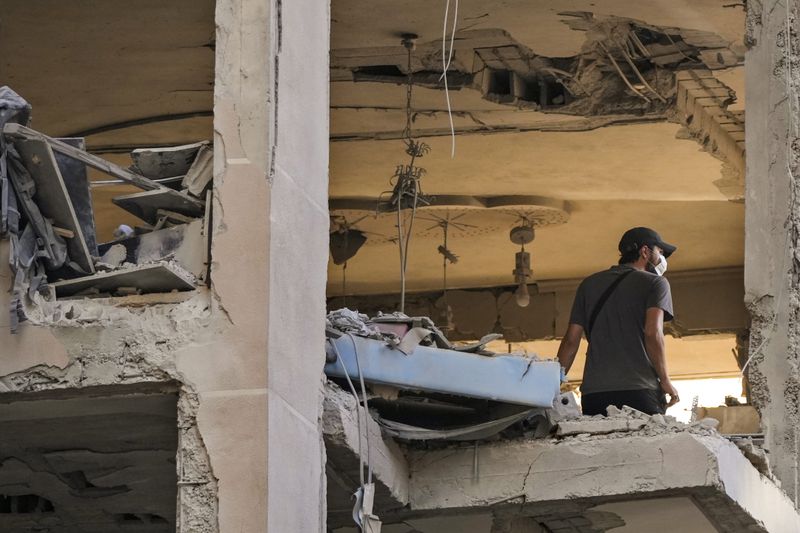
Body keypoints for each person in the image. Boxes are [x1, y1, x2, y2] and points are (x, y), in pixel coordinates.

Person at [556, 227, 680, 416]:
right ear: (645, 251)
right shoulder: (656, 283)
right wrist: (665, 380)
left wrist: (552, 384)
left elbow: (571, 341)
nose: (662, 258)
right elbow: (652, 332)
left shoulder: (588, 284)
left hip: (594, 394)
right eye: (660, 252)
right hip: (639, 390)